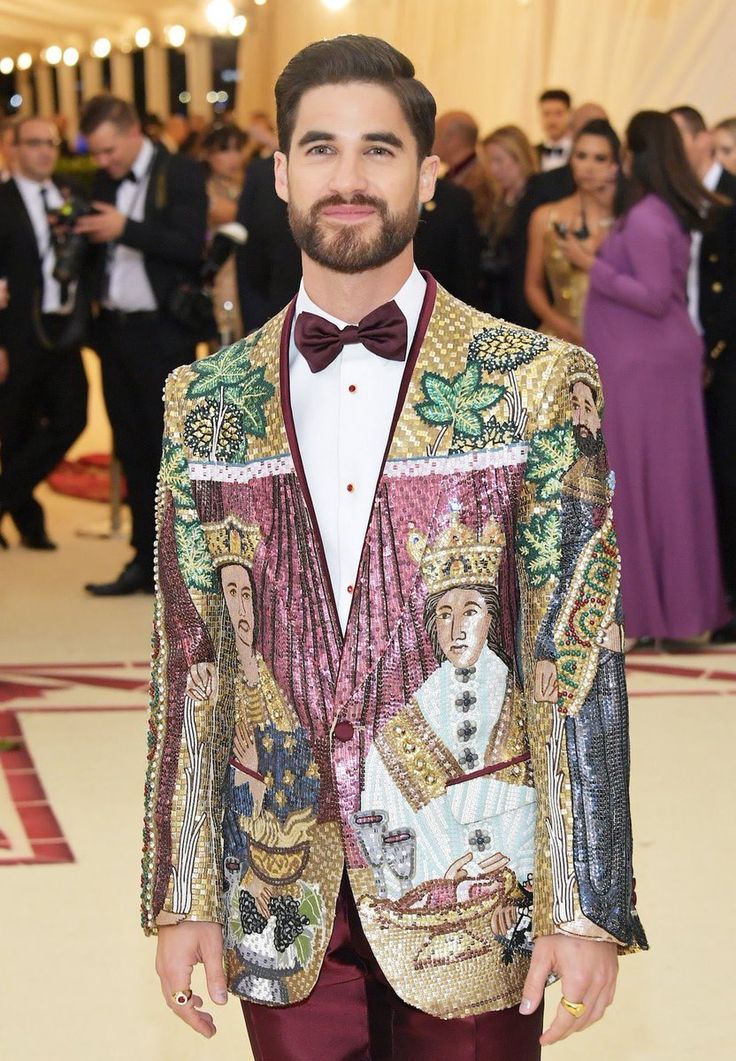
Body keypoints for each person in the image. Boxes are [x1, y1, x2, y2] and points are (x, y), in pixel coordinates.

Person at [144, 35, 646, 1060]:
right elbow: (189, 660)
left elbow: (578, 652)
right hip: (278, 888)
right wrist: (179, 887)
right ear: (280, 172)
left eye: (378, 149)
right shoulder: (203, 400)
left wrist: (584, 900)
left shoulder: (536, 383)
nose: (348, 177)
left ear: (426, 172)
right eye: (320, 148)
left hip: (476, 880)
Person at [579, 110, 728, 647]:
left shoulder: (645, 217)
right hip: (646, 364)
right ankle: (666, 613)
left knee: (645, 484)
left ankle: (649, 616)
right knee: (657, 483)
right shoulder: (655, 212)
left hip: (646, 369)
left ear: (637, 155)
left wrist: (590, 264)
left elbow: (653, 296)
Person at [77, 94, 212, 596]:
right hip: (114, 331)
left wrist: (124, 229)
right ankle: (141, 558)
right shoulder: (104, 180)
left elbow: (186, 246)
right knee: (130, 447)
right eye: (97, 153)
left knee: (165, 452)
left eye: (109, 150)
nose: (103, 162)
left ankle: (176, 569)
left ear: (133, 132)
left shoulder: (180, 173)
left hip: (162, 332)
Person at [0, 117, 89, 550]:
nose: (44, 151)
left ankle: (6, 500)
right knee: (14, 427)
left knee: (72, 419)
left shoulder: (70, 193)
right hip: (16, 329)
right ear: (12, 148)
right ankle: (29, 523)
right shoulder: (2, 199)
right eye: (34, 143)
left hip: (64, 327)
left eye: (50, 143)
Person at [669, 105, 736, 631]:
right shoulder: (688, 199)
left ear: (700, 139)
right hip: (691, 358)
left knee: (727, 472)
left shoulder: (727, 197)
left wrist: (711, 350)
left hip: (722, 357)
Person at [525, 119, 622, 344]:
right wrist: (561, 325)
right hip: (559, 340)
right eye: (581, 156)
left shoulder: (627, 221)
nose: (588, 167)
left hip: (617, 341)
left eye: (600, 158)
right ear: (571, 161)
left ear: (615, 165)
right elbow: (532, 286)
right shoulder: (545, 216)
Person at [479, 124, 538, 323]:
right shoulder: (497, 199)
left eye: (499, 161)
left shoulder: (535, 201)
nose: (493, 169)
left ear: (519, 157)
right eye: (490, 162)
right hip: (497, 303)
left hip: (522, 305)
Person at [201, 122, 247, 343]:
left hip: (249, 273)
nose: (233, 158)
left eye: (237, 149)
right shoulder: (205, 190)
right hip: (222, 275)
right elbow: (237, 216)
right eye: (224, 150)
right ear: (209, 155)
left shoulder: (246, 183)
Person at [433, 110, 493, 232]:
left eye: (435, 135)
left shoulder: (482, 183)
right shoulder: (453, 176)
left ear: (452, 139)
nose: (430, 142)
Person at [534, 89, 572, 172]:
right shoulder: (532, 153)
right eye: (546, 114)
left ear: (570, 115)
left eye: (558, 113)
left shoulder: (579, 152)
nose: (551, 121)